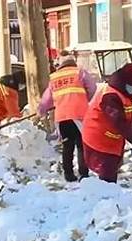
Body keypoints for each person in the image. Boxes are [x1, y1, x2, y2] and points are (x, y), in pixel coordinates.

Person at [82, 63, 132, 183]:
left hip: (114, 138)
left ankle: (110, 195)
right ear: (124, 81)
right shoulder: (110, 95)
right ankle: (106, 198)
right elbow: (118, 121)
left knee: (113, 167)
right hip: (97, 137)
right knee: (107, 173)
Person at [38, 51, 97, 182]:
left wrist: (41, 110)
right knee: (82, 145)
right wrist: (85, 99)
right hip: (79, 115)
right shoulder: (80, 72)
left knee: (67, 146)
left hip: (62, 117)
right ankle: (83, 173)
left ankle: (68, 174)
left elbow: (47, 98)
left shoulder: (54, 77)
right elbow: (92, 87)